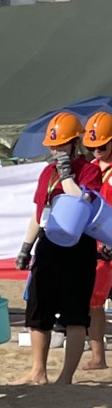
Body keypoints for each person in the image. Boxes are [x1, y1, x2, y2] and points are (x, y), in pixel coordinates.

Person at [13, 110, 102, 386]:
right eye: (53, 146)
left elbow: (82, 204)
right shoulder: (46, 173)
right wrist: (26, 246)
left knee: (75, 313)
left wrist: (66, 176)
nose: (56, 151)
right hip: (49, 244)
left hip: (78, 246)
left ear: (75, 143)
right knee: (38, 310)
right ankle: (38, 371)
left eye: (62, 145)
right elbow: (39, 212)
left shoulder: (89, 170)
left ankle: (66, 377)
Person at [81, 111, 112, 369]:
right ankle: (98, 357)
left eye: (102, 146)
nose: (97, 151)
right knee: (94, 300)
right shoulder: (89, 169)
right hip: (96, 246)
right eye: (92, 147)